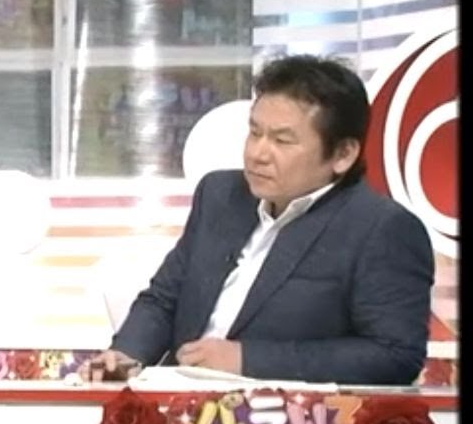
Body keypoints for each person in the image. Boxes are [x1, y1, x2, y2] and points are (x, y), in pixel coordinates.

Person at [82, 54, 434, 387]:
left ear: (343, 154)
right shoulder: (220, 195)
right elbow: (164, 299)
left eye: (282, 140)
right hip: (176, 404)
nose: (257, 153)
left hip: (283, 421)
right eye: (254, 132)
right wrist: (126, 354)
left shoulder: (382, 229)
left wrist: (246, 359)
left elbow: (394, 355)